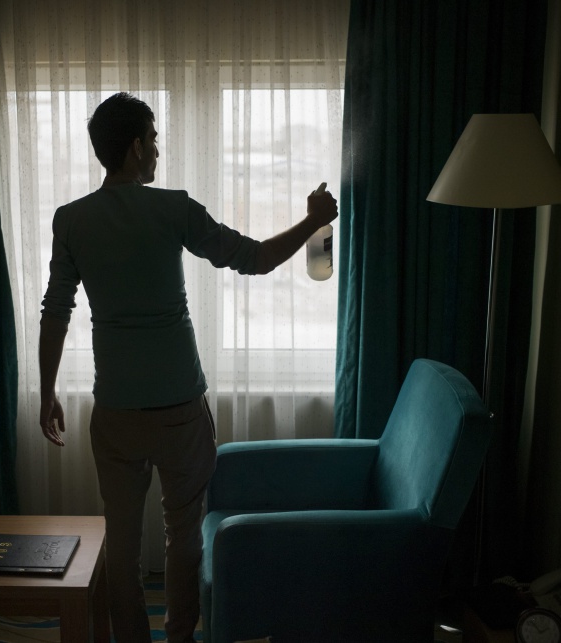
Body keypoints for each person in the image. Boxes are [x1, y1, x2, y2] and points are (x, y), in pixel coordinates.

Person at [38, 92, 338, 643]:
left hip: (117, 414)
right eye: (152, 139)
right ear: (133, 147)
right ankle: (179, 638)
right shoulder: (172, 208)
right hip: (179, 410)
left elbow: (56, 310)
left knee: (122, 545)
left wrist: (46, 391)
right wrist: (313, 220)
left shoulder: (71, 220)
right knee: (185, 536)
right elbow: (254, 259)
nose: (157, 150)